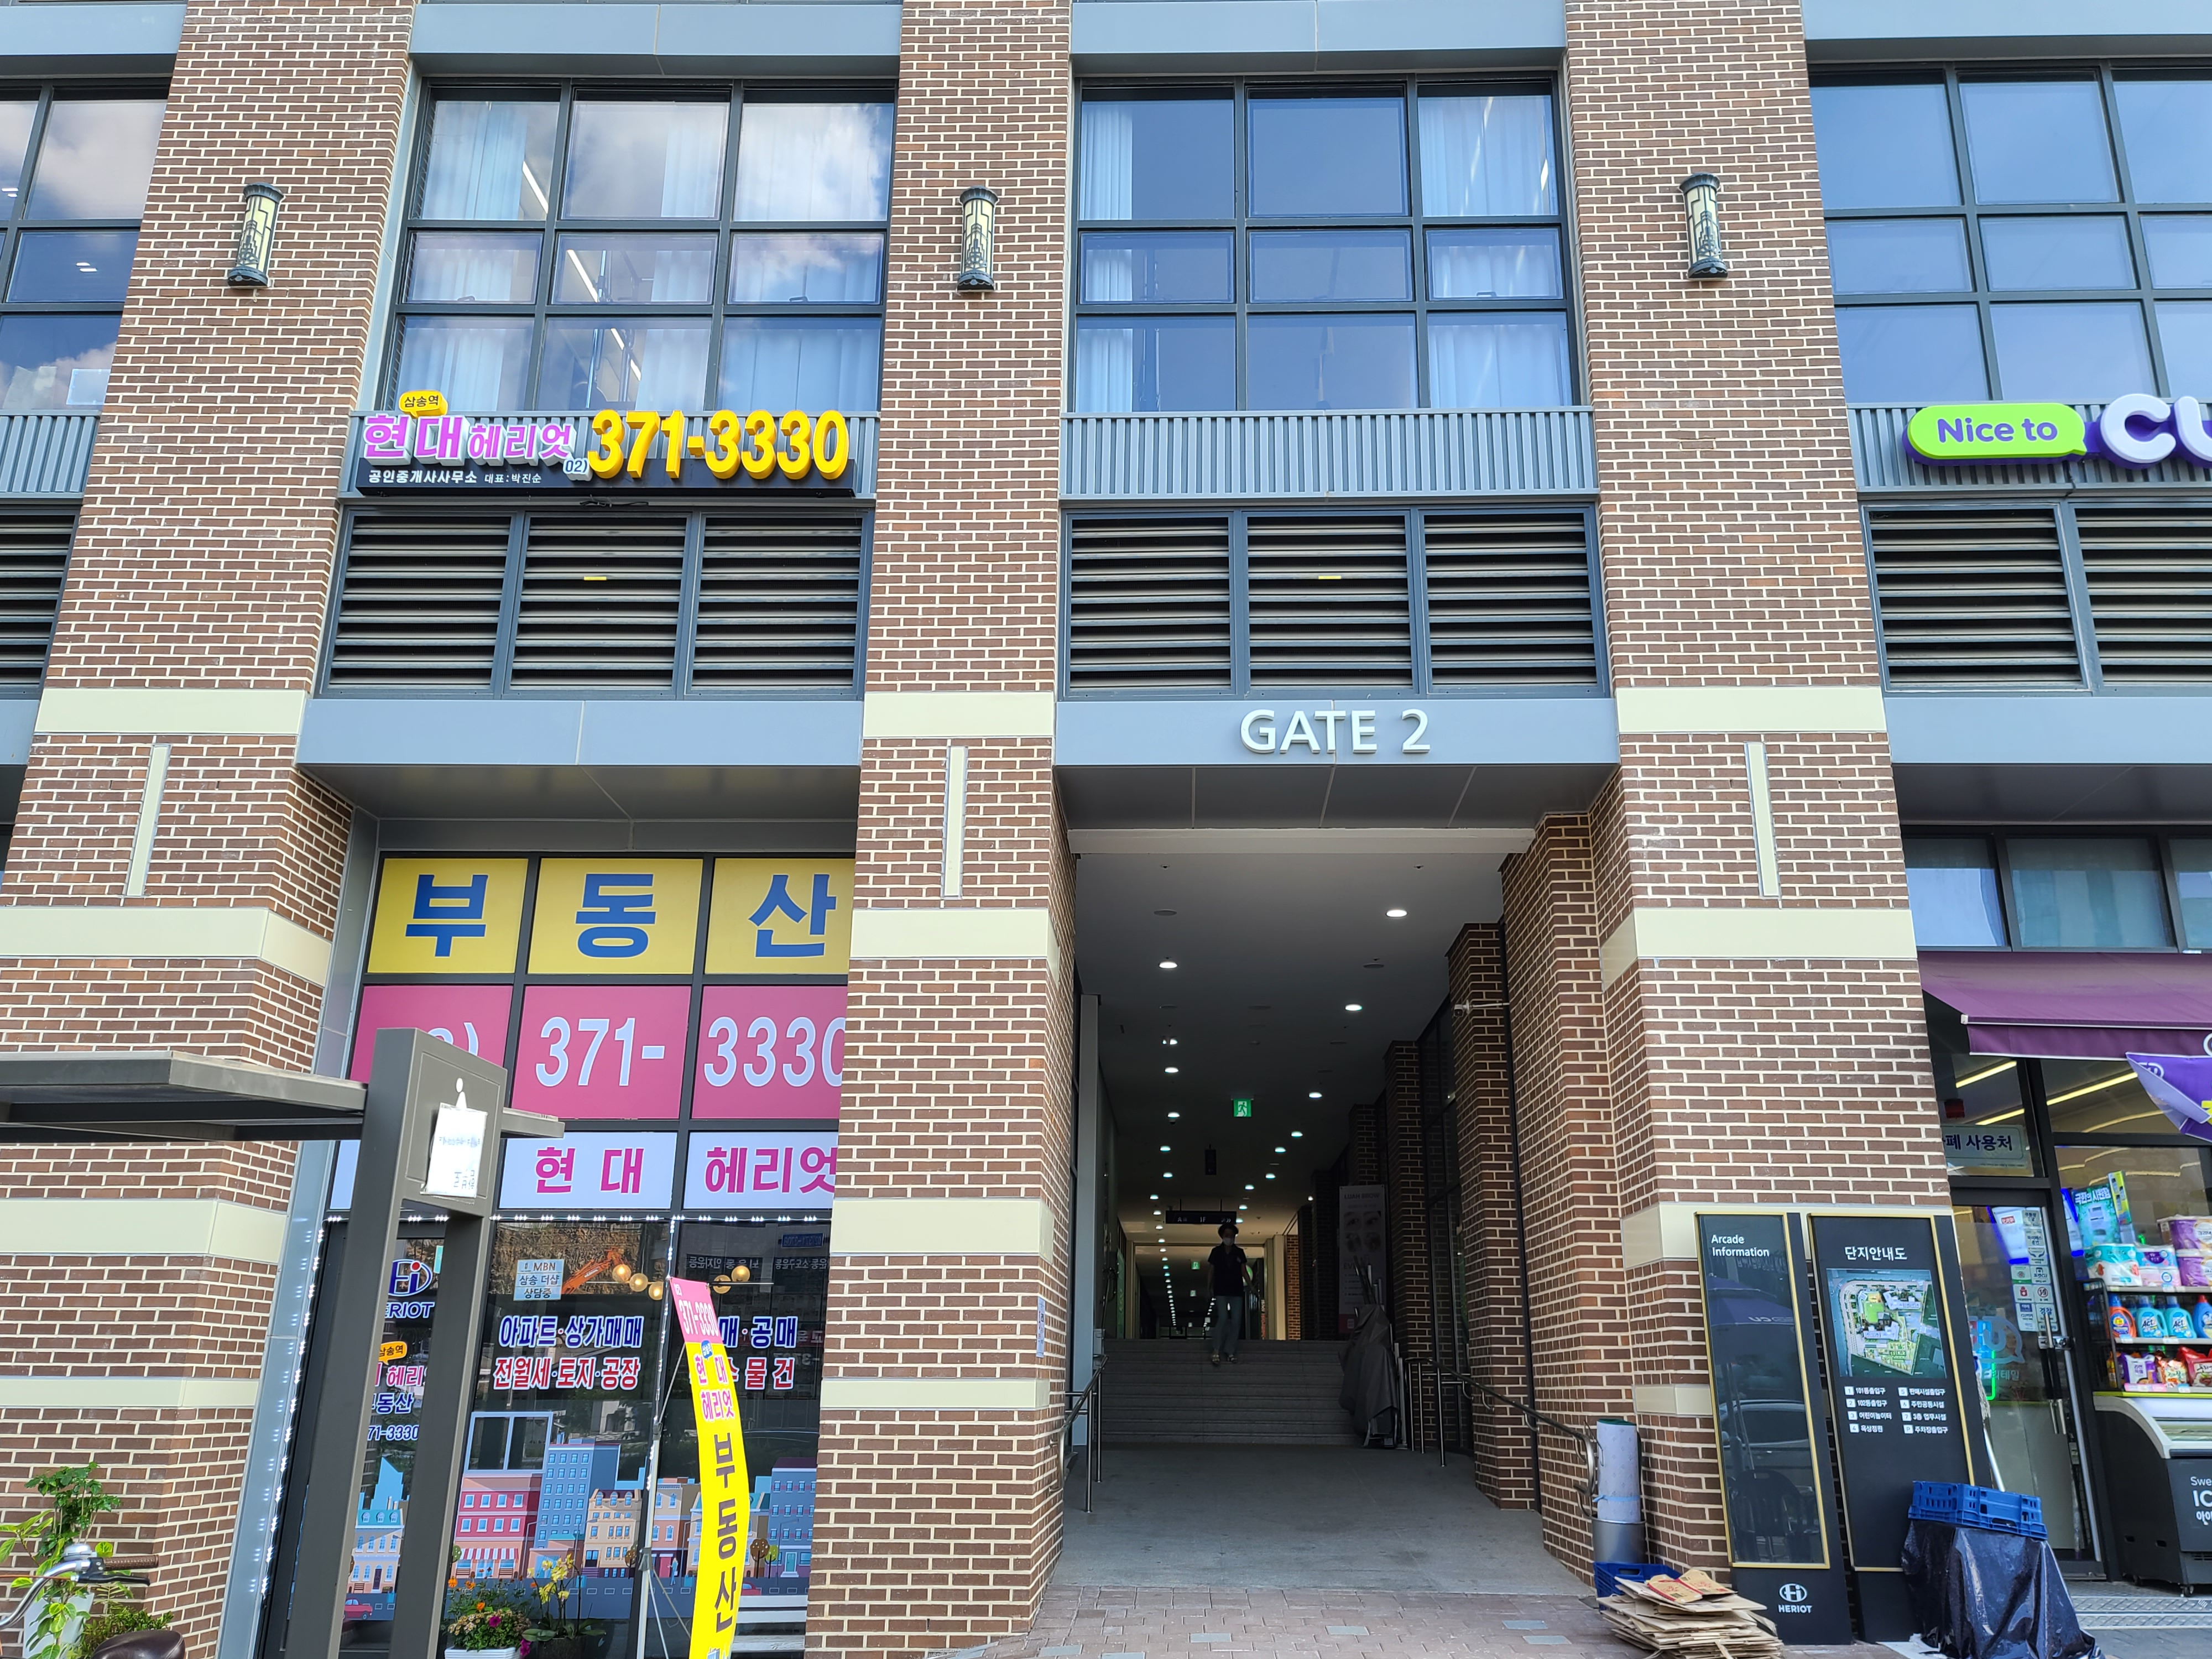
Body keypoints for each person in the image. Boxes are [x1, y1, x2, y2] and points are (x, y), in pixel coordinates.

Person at [1206, 1221, 1250, 1365]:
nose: (1229, 1238)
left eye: (1232, 1236)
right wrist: (1209, 1288)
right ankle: (1216, 1349)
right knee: (1224, 1317)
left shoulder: (1239, 1252)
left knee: (1237, 1321)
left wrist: (1251, 1287)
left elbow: (1244, 1271)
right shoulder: (1216, 1252)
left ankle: (1230, 1350)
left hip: (1236, 1290)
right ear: (1222, 1236)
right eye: (1227, 1235)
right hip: (1221, 1289)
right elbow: (1211, 1271)